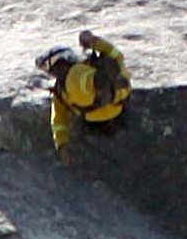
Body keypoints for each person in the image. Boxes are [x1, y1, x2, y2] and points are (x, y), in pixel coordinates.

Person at [36, 29, 131, 160]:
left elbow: (58, 120)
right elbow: (117, 56)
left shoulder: (61, 89)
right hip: (115, 106)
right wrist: (94, 42)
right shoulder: (84, 68)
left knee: (81, 77)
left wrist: (62, 144)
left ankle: (102, 86)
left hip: (96, 115)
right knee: (111, 70)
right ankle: (102, 85)